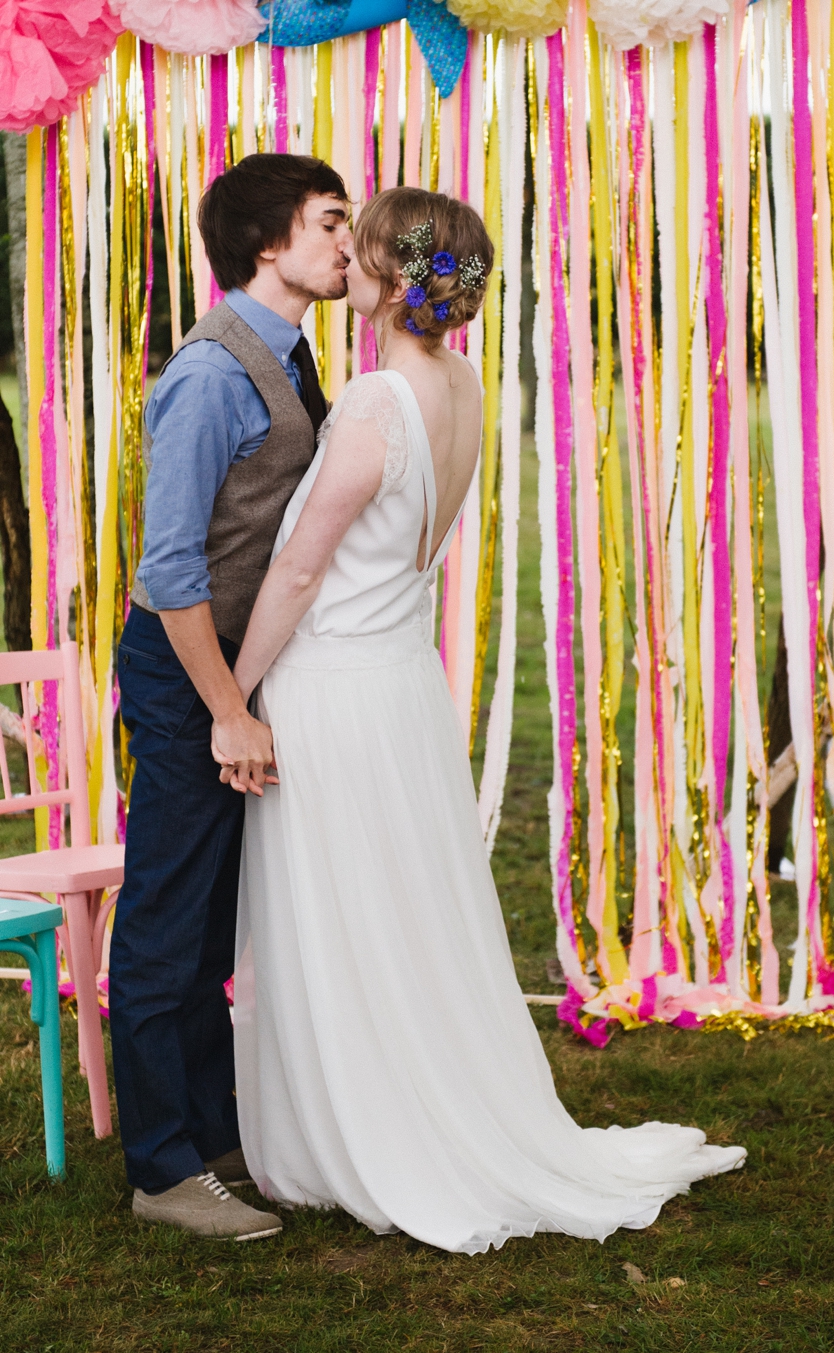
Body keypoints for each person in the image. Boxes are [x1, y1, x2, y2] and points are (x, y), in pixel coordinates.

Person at [227, 185, 746, 1255]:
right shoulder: (456, 383)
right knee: (400, 911)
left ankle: (365, 1131)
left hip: (339, 688)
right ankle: (413, 1098)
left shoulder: (376, 403)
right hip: (402, 681)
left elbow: (295, 572)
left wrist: (231, 696)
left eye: (358, 246)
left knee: (350, 913)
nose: (345, 258)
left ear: (387, 274)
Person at [109, 154, 352, 1241]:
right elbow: (170, 572)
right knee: (167, 919)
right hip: (184, 672)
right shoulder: (213, 374)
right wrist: (226, 708)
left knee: (211, 924)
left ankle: (209, 1134)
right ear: (269, 242)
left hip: (227, 672)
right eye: (332, 221)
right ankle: (161, 1171)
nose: (351, 242)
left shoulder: (292, 352)